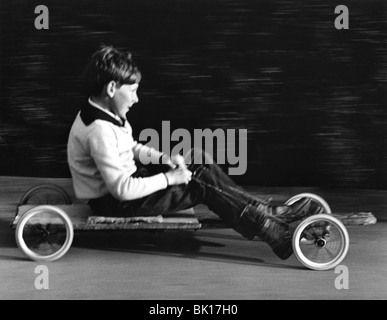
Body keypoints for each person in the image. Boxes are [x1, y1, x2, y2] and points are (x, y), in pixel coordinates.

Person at [67, 45, 323, 260]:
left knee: (196, 160)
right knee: (199, 183)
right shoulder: (98, 130)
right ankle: (271, 229)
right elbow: (121, 189)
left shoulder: (108, 116)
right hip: (117, 203)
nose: (137, 99)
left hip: (130, 186)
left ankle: (263, 212)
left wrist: (163, 159)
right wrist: (170, 178)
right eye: (132, 91)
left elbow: (129, 146)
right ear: (112, 89)